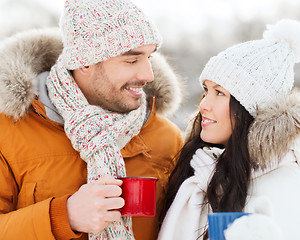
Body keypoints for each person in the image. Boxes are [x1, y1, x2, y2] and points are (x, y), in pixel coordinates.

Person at [0, 0, 183, 239]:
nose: (148, 74)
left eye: (149, 57)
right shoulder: (9, 130)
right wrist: (63, 216)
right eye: (131, 60)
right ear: (84, 62)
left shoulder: (166, 138)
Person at [158, 19, 300, 240]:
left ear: (250, 109)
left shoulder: (291, 188)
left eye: (219, 93)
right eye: (206, 90)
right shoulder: (200, 169)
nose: (203, 104)